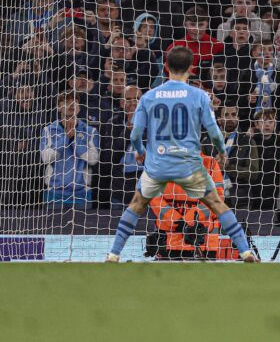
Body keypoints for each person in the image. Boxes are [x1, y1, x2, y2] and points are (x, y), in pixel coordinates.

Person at [106, 47, 257, 262]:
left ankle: (113, 254)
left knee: (136, 205)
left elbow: (135, 134)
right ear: (191, 68)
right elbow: (214, 132)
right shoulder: (199, 96)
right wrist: (222, 151)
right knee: (218, 204)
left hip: (159, 164)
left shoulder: (149, 96)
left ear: (165, 67)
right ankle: (245, 251)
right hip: (189, 164)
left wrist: (140, 152)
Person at [40, 91, 99, 207]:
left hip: (82, 194)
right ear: (58, 107)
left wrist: (75, 139)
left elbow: (93, 159)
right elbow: (46, 158)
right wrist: (66, 138)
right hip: (54, 193)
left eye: (75, 102)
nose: (71, 104)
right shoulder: (48, 130)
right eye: (66, 102)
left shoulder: (91, 131)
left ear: (79, 107)